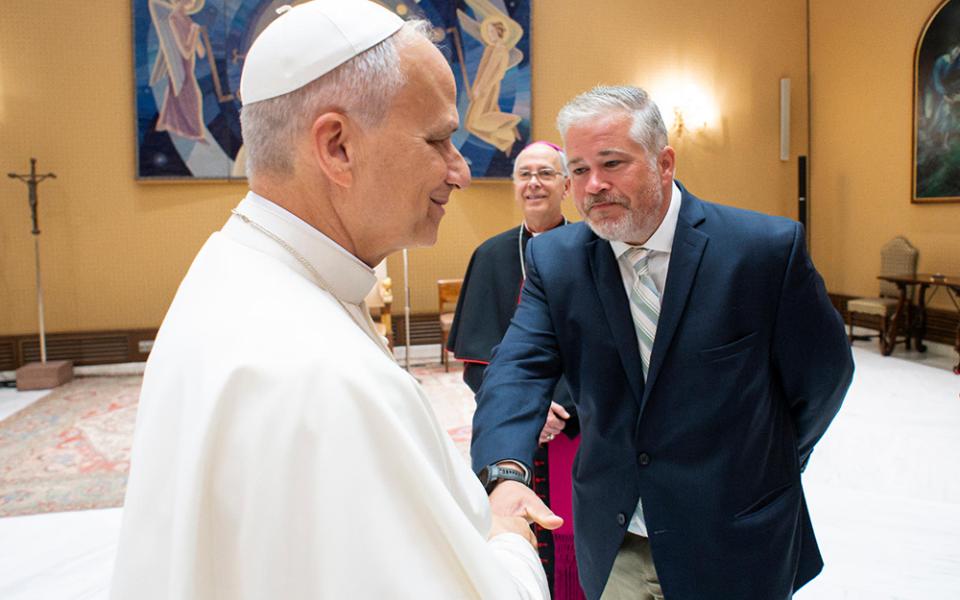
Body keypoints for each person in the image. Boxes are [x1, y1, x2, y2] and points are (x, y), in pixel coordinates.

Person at [111, 2, 558, 598]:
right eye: (441, 139)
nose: (461, 171)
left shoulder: (233, 272)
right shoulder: (320, 377)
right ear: (338, 147)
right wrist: (507, 540)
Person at [470, 85, 854, 600]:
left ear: (664, 161)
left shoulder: (761, 251)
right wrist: (504, 472)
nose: (594, 185)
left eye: (612, 162)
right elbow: (517, 368)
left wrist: (774, 457)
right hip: (614, 537)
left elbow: (823, 379)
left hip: (733, 536)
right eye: (580, 170)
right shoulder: (556, 261)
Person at [447, 140, 585, 598]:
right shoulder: (490, 256)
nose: (533, 183)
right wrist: (528, 407)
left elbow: (600, 348)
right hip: (508, 427)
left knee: (572, 532)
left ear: (567, 184)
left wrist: (557, 405)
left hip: (573, 426)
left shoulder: (593, 253)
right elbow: (476, 359)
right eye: (524, 174)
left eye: (545, 173)